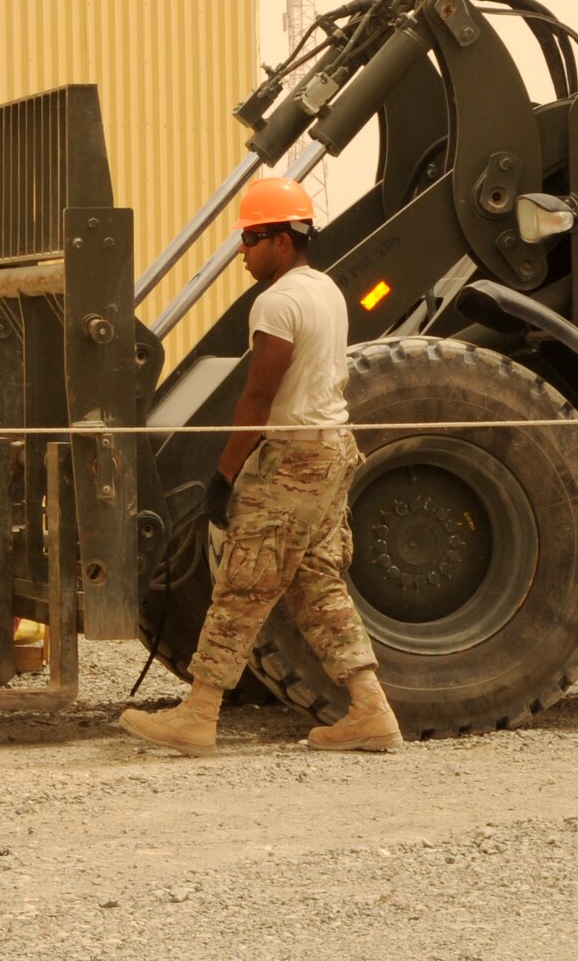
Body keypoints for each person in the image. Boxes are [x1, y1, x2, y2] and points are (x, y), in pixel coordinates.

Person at [120, 176, 399, 758]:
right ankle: (371, 710)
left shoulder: (276, 303)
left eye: (250, 239)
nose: (242, 252)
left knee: (243, 584)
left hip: (293, 460)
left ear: (280, 240)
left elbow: (257, 397)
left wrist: (224, 475)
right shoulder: (322, 288)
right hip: (331, 452)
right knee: (318, 585)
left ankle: (198, 715)